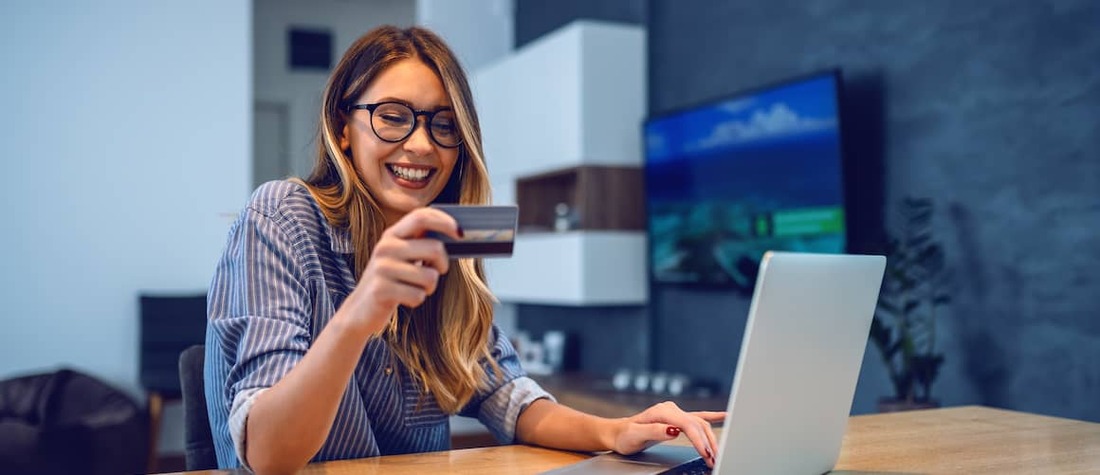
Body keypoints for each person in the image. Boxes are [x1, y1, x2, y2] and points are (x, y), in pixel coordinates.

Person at [205, 25, 723, 473]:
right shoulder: (280, 215)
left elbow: (508, 397)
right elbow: (270, 455)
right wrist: (359, 314)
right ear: (343, 128)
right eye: (392, 115)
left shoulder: (447, 238)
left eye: (444, 123)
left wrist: (616, 431)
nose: (422, 144)